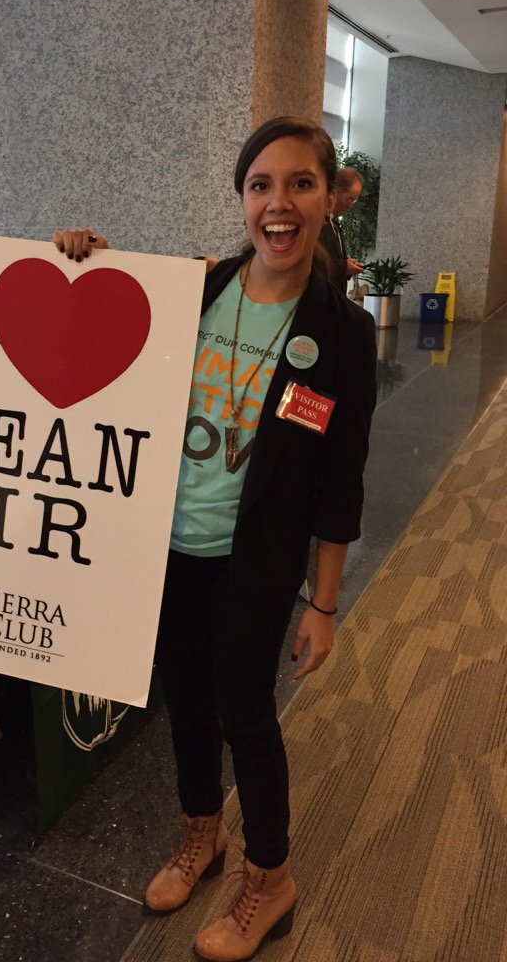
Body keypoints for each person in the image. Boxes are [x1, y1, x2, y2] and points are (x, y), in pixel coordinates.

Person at [54, 117, 376, 961]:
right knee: (183, 700)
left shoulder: (340, 335)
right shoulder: (195, 288)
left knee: (244, 709)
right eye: (260, 185)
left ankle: (271, 875)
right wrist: (80, 256)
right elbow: (100, 329)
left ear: (326, 197)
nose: (278, 204)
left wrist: (326, 602)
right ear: (242, 199)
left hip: (255, 556)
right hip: (164, 543)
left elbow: (342, 481)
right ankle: (204, 833)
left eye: (299, 184)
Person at [319, 166, 364, 295]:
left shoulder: (334, 224)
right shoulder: (318, 224)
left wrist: (347, 265)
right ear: (334, 193)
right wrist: (344, 267)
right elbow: (315, 265)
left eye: (354, 201)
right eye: (349, 199)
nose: (350, 205)